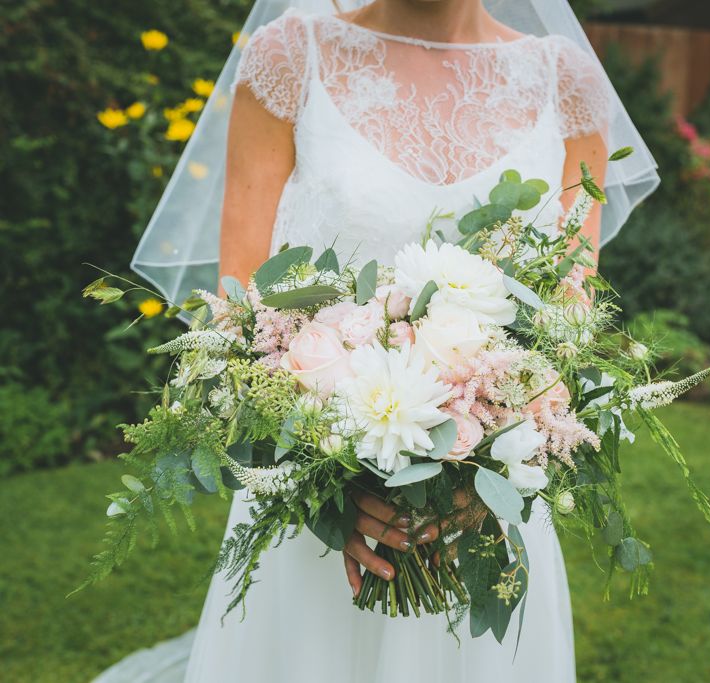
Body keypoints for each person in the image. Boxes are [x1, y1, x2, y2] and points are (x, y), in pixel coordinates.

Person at [99, 1, 659, 681]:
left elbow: (568, 318)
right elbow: (238, 310)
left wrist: (486, 471)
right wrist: (333, 495)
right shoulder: (289, 56)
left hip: (484, 522)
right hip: (316, 504)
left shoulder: (566, 82)